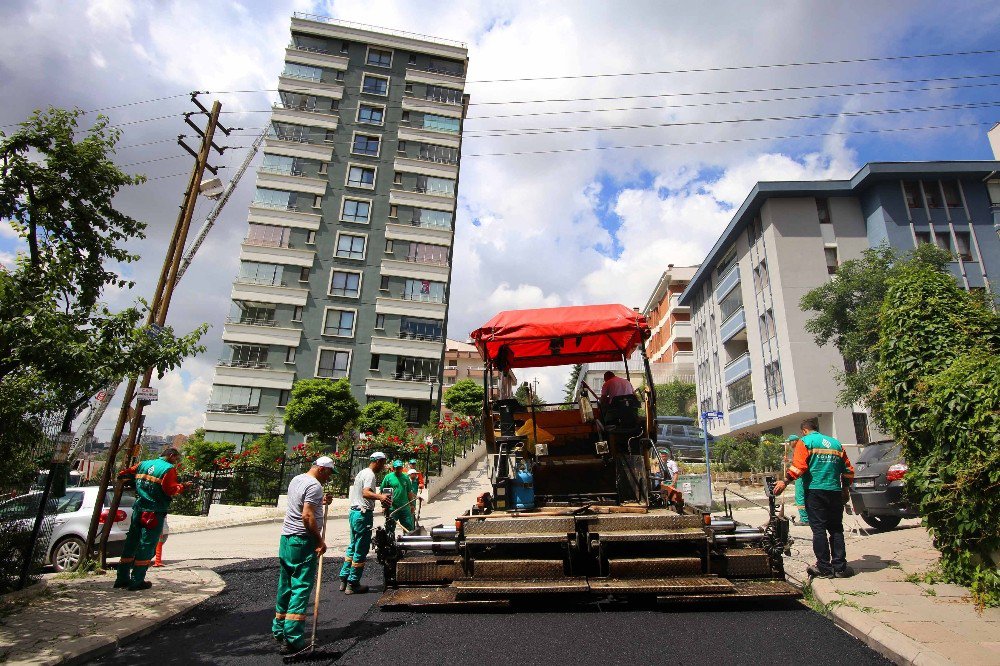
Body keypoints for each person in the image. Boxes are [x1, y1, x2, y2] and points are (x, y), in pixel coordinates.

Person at [773, 418, 856, 579]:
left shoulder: (805, 442)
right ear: (816, 428)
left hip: (815, 491)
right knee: (836, 529)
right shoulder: (835, 443)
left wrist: (784, 481)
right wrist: (845, 489)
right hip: (834, 490)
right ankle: (840, 567)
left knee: (819, 530)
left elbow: (799, 467)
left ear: (804, 431)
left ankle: (824, 567)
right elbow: (847, 470)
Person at [272, 456, 335, 655]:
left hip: (287, 539)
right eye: (330, 473)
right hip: (303, 539)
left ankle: (279, 630)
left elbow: (302, 504)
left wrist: (321, 502)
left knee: (286, 585)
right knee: (300, 586)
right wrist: (319, 540)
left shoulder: (297, 479)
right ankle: (293, 639)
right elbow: (306, 515)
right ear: (323, 469)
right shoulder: (315, 486)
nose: (329, 478)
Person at [115, 448, 187, 591]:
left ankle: (122, 578)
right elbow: (170, 490)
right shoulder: (168, 469)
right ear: (171, 456)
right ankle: (137, 581)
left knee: (131, 542)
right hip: (154, 511)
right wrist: (182, 487)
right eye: (176, 458)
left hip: (139, 508)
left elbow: (124, 473)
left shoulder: (143, 464)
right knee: (147, 545)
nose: (176, 461)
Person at [339, 451, 389, 595]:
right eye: (383, 463)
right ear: (378, 461)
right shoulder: (370, 474)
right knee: (361, 548)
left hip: (354, 513)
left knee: (353, 546)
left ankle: (344, 578)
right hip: (363, 514)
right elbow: (365, 492)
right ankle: (353, 583)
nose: (383, 466)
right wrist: (380, 497)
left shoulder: (362, 472)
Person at [381, 460, 416, 536]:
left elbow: (409, 492)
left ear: (402, 468)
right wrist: (384, 506)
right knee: (390, 528)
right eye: (397, 468)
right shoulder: (388, 477)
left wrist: (412, 504)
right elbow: (383, 492)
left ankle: (408, 544)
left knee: (408, 527)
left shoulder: (406, 477)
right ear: (393, 468)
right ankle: (390, 544)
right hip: (392, 508)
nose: (399, 469)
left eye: (400, 468)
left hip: (404, 507)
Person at [785, 435, 810, 526]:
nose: (789, 444)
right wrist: (789, 462)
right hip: (803, 476)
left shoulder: (799, 449)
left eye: (790, 442)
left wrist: (788, 476)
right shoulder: (801, 449)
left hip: (800, 477)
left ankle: (804, 519)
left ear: (795, 441)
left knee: (800, 498)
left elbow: (799, 467)